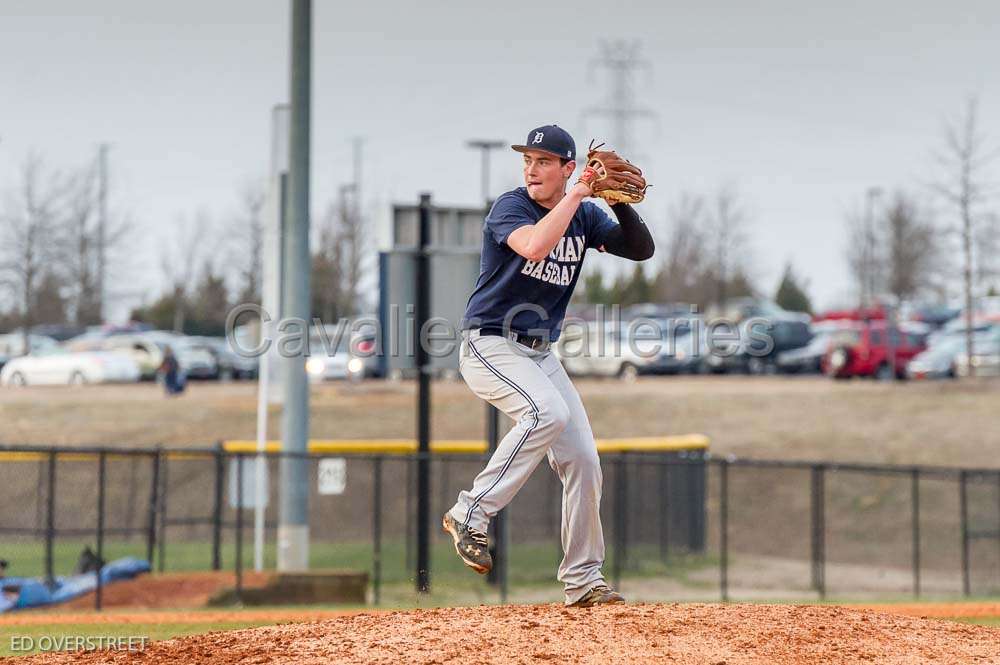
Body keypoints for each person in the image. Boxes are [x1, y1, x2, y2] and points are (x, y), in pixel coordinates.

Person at [442, 124, 655, 607]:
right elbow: (535, 245)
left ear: (565, 167)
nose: (531, 169)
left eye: (543, 161)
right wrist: (580, 192)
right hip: (490, 343)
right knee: (547, 413)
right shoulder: (511, 206)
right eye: (527, 160)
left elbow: (641, 250)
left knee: (583, 459)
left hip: (540, 352)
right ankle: (470, 512)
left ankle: (582, 582)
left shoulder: (584, 215)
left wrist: (616, 200)